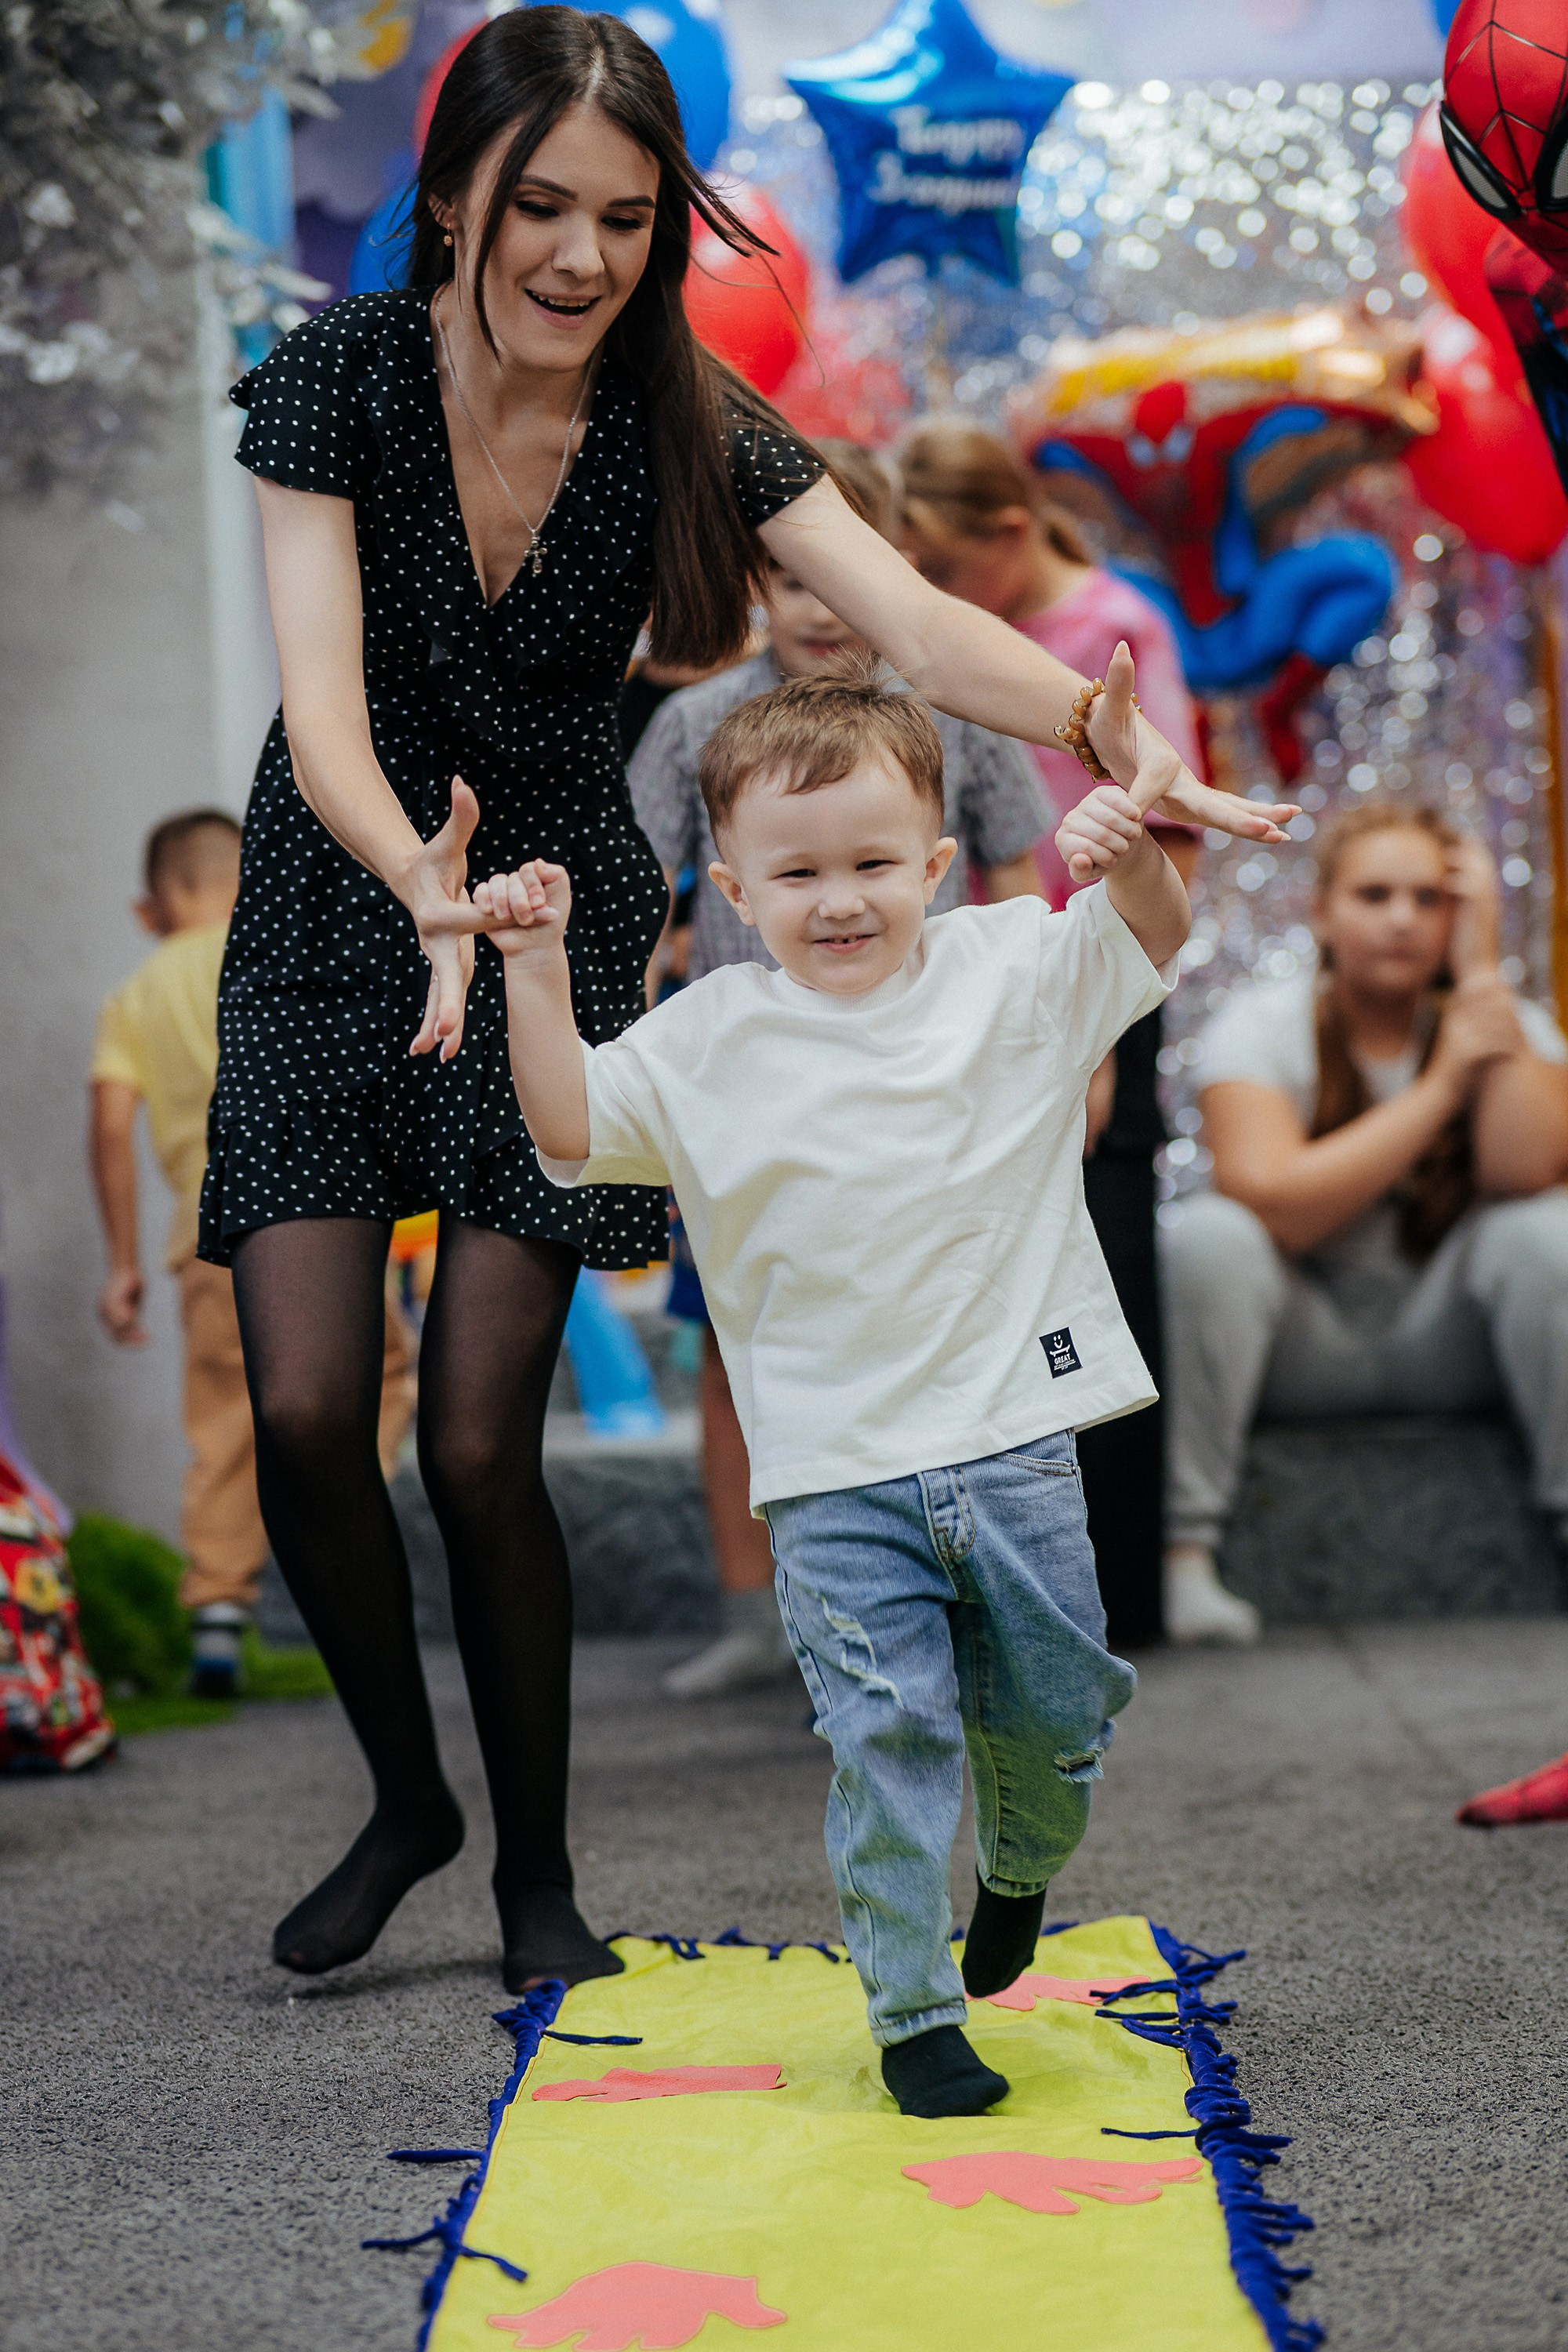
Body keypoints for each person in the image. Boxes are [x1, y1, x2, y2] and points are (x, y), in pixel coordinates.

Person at [205, 4, 1289, 1993]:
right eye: (540, 206)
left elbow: (905, 619)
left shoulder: (680, 407)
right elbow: (322, 699)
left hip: (544, 912)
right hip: (345, 894)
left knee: (471, 1441)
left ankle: (532, 1865)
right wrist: (407, 884)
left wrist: (1101, 722)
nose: (579, 257)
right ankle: (404, 1794)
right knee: (297, 1411)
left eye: (623, 219)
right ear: (455, 194)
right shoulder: (336, 378)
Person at [471, 661, 1201, 2115]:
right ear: (734, 886)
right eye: (797, 872)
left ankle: (1019, 1864)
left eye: (874, 862)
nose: (842, 898)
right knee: (887, 1740)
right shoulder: (707, 1037)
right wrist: (534, 966)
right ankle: (914, 2010)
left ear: (933, 863)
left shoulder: (1008, 966)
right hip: (832, 1473)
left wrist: (1140, 856)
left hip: (1013, 1445)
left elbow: (1151, 947)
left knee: (1062, 1718)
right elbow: (564, 1118)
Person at [628, 437, 1053, 1698]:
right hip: (749, 1111)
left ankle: (966, 1599)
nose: (819, 606)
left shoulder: (954, 709)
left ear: (897, 568)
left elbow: (1024, 877)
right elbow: (641, 914)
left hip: (935, 1096)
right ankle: (755, 1609)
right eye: (790, 577)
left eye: (843, 575)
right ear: (754, 582)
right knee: (733, 1345)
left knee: (945, 1325)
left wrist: (1062, 1070)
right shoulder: (697, 724)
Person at [896, 420, 1206, 1649]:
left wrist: (1095, 1024)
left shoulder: (1113, 629)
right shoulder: (954, 631)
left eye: (943, 572)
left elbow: (1168, 824)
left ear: (1009, 537)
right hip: (972, 980)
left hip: (1096, 975)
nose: (928, 602)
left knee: (1107, 1261)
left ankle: (1122, 1590)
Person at [1162, 800, 1568, 1655]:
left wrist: (1482, 970)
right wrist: (1438, 1087)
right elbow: (1274, 1202)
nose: (1401, 919)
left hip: (1446, 1342)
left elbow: (1523, 1169)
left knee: (1544, 1227)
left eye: (1429, 899)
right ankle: (1184, 1551)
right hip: (1303, 1347)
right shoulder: (1260, 1025)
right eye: (1374, 894)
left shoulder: (1506, 1024)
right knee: (1206, 1235)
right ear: (1322, 911)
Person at [89, 814, 415, 1697]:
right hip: (311, 1224)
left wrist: (122, 1264)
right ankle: (328, 1503)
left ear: (149, 908)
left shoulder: (136, 995)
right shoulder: (277, 962)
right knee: (379, 1377)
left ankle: (220, 1608)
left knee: (224, 1422)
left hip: (200, 1242)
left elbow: (112, 1126)